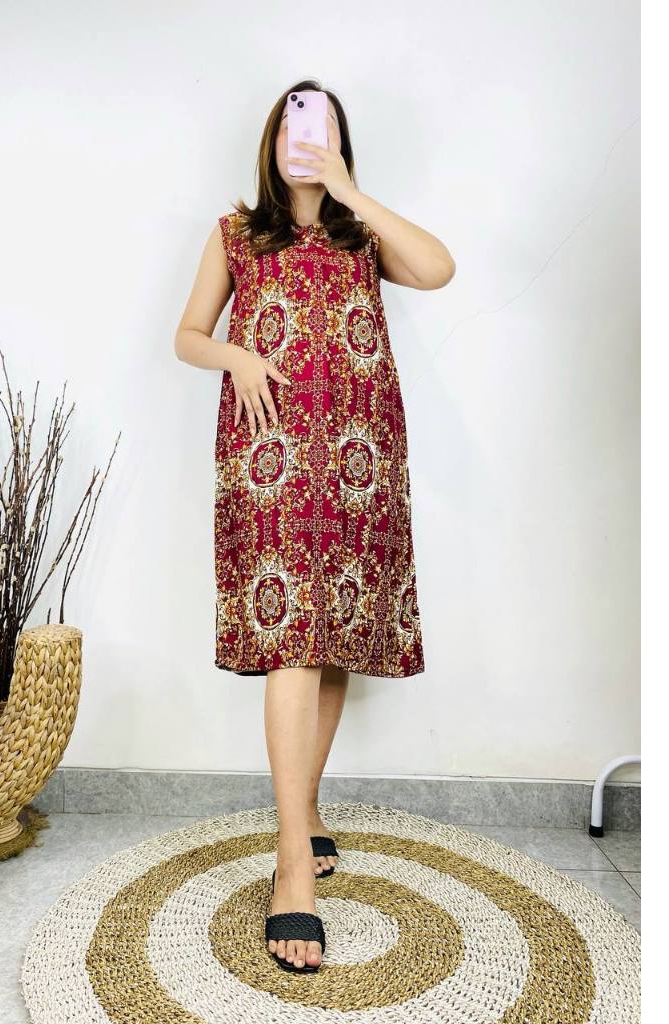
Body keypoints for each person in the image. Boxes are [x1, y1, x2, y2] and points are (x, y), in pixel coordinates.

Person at [173, 79, 455, 973]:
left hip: (359, 456)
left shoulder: (362, 232)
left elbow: (439, 268)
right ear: (271, 139)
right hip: (271, 456)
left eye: (322, 124)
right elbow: (187, 334)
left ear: (338, 141)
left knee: (328, 643)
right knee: (292, 640)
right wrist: (237, 354)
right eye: (294, 122)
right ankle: (293, 864)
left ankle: (303, 811)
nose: (305, 135)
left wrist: (346, 189)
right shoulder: (235, 233)